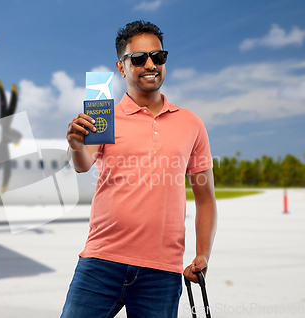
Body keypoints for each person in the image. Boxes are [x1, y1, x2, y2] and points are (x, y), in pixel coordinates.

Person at [62, 20, 217, 318]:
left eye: (158, 57)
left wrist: (202, 253)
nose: (150, 64)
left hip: (161, 272)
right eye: (139, 58)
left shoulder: (192, 124)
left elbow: (206, 197)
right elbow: (83, 165)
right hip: (101, 261)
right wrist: (75, 144)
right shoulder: (103, 115)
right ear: (121, 67)